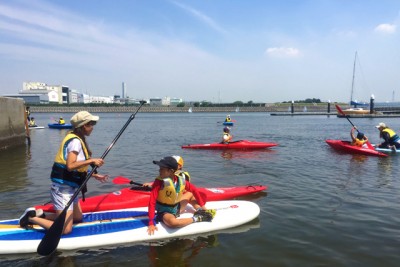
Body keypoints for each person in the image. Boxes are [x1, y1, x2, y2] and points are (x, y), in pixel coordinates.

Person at [18, 111, 109, 233]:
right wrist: (91, 160)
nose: (93, 127)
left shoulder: (77, 139)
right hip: (62, 189)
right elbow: (70, 166)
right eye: (91, 124)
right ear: (83, 126)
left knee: (77, 218)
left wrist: (94, 175)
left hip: (71, 188)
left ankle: (41, 215)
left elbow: (76, 170)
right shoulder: (75, 142)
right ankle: (31, 218)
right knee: (66, 230)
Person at [147, 156, 215, 236]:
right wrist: (151, 222)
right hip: (165, 212)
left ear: (170, 171)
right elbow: (152, 202)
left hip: (177, 208)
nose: (159, 170)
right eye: (160, 168)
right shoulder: (159, 182)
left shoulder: (181, 180)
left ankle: (200, 210)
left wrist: (203, 207)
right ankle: (197, 218)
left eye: (162, 169)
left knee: (190, 193)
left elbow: (194, 190)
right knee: (172, 223)